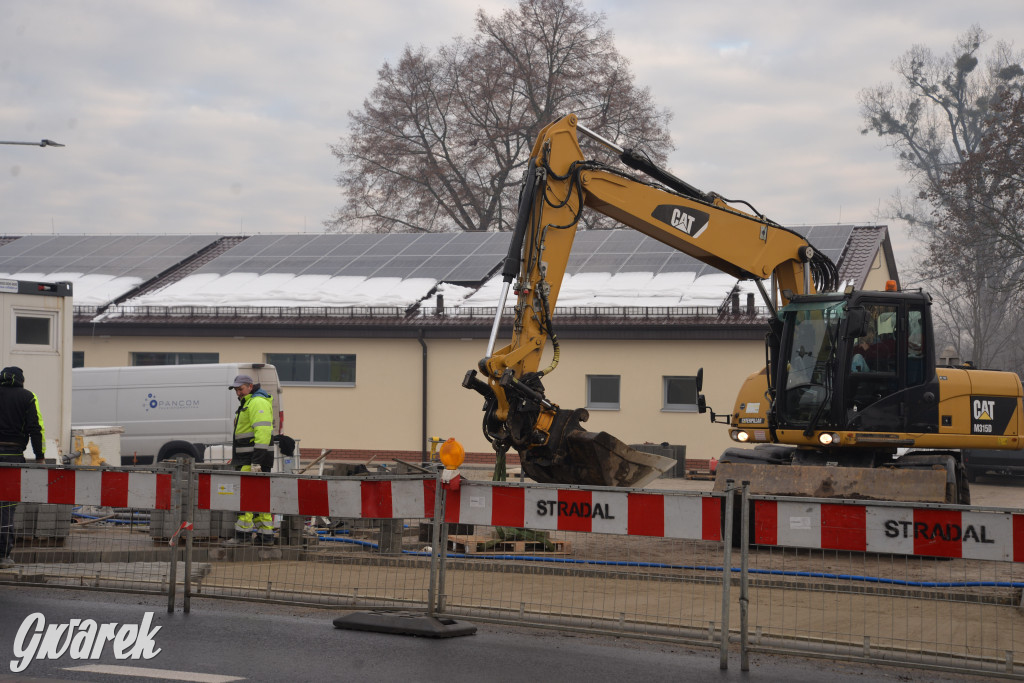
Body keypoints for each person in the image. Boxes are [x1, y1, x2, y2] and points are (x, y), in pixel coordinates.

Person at [0, 366, 46, 565]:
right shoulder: (27, 397)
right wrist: (40, 456)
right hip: (12, 457)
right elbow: (36, 428)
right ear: (21, 380)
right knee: (6, 507)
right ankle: (3, 555)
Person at [224, 374, 275, 546]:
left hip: (252, 461)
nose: (238, 392)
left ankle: (242, 537)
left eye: (241, 389)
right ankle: (265, 536)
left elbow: (262, 433)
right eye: (236, 390)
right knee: (260, 498)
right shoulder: (249, 403)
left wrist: (256, 462)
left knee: (244, 498)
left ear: (250, 387)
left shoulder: (256, 402)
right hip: (250, 459)